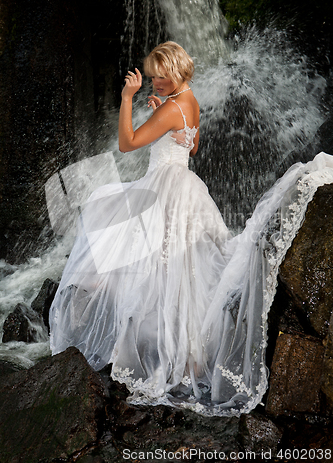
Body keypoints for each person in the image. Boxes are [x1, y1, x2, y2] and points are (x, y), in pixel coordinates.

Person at [49, 41, 333, 417]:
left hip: (161, 189)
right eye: (150, 78)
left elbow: (126, 143)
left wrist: (127, 98)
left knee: (139, 253)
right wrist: (163, 117)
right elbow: (193, 145)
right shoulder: (190, 100)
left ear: (175, 73)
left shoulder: (170, 107)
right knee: (178, 275)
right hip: (185, 186)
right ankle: (188, 354)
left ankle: (156, 352)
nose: (153, 83)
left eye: (158, 77)